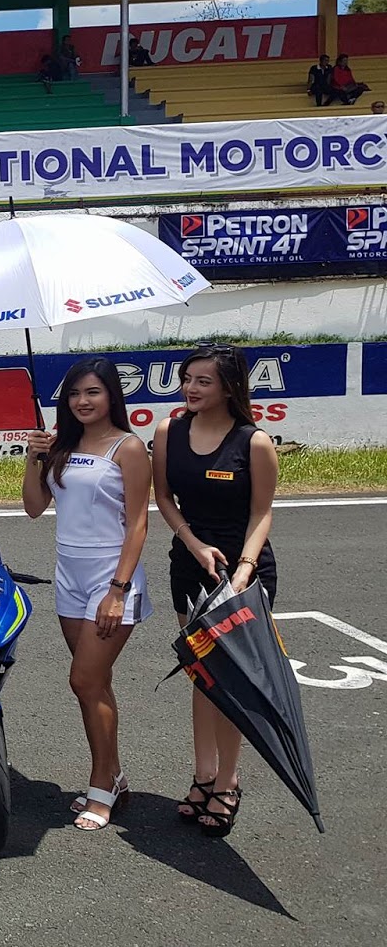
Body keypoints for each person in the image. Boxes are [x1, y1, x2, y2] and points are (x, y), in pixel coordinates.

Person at [153, 344, 278, 839]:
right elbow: (163, 497)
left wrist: (244, 569)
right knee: (202, 673)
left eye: (203, 381)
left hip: (242, 573)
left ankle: (228, 781)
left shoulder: (254, 441)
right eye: (187, 379)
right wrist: (193, 543)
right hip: (190, 564)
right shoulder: (169, 430)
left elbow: (262, 513)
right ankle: (202, 775)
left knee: (232, 679)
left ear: (229, 387)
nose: (190, 388)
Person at [21, 359, 153, 832]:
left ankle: (102, 784)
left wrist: (117, 590)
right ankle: (114, 775)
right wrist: (34, 458)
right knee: (94, 683)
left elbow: (138, 523)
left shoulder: (128, 447)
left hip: (110, 578)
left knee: (83, 679)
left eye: (93, 392)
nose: (82, 401)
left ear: (111, 395)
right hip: (68, 576)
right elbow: (33, 508)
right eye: (75, 393)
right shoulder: (61, 446)